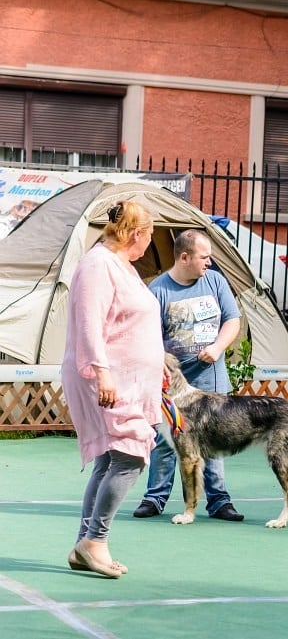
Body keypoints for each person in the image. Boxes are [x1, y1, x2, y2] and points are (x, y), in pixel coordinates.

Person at [61, 199, 163, 578]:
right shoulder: (98, 264)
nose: (148, 245)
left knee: (110, 458)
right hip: (106, 379)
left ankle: (83, 545)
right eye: (149, 237)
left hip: (128, 380)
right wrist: (103, 374)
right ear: (136, 234)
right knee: (131, 453)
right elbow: (90, 323)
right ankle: (94, 541)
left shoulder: (121, 265)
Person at [132, 230, 245, 522]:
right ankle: (155, 498)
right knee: (165, 442)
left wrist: (218, 347)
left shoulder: (216, 281)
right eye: (204, 257)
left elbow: (233, 319)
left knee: (213, 442)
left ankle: (219, 501)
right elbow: (148, 338)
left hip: (211, 383)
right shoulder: (158, 290)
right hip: (173, 388)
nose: (209, 262)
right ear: (185, 257)